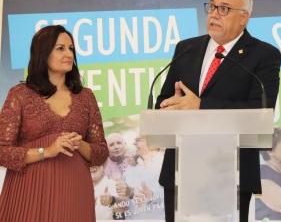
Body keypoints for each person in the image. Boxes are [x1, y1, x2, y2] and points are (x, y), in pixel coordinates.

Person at [155, 0, 281, 222]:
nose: (214, 14)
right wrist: (169, 106)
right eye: (212, 6)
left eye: (224, 9)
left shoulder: (264, 55)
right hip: (182, 170)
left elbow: (260, 111)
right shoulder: (187, 48)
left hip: (231, 173)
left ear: (243, 17)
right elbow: (163, 99)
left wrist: (201, 105)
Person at [0, 25, 109, 221]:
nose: (69, 54)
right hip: (29, 191)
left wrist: (80, 144)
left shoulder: (86, 97)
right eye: (61, 48)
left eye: (71, 49)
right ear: (43, 53)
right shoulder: (20, 95)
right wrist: (46, 151)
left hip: (74, 191)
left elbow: (100, 153)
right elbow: (1, 151)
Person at [115, 136, 165, 220]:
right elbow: (123, 199)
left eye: (138, 140)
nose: (134, 143)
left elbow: (171, 195)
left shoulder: (165, 165)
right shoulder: (131, 167)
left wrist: (151, 194)